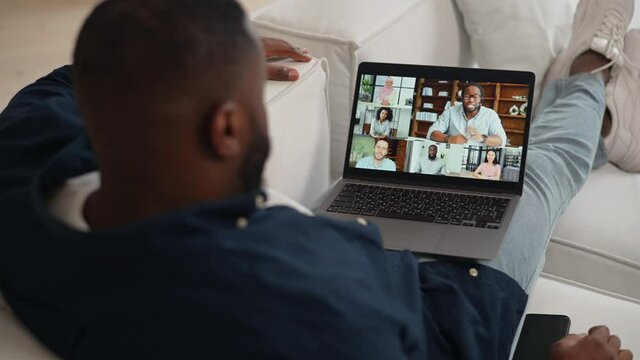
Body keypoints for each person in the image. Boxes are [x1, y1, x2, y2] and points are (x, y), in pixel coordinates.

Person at [0, 0, 635, 359]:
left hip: (359, 259)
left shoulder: (22, 163)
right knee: (543, 170)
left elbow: (62, 87)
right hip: (458, 308)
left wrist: (193, 66)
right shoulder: (293, 314)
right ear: (225, 130)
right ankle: (594, 76)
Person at [426, 82, 507, 147]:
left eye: (475, 97)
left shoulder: (490, 115)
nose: (471, 100)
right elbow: (431, 133)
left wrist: (483, 138)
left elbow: (501, 140)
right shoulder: (450, 111)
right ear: (462, 98)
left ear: (481, 99)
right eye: (467, 96)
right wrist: (449, 139)